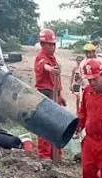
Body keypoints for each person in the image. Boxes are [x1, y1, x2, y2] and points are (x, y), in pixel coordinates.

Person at [34, 29, 66, 161]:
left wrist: (60, 96)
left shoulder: (52, 58)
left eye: (54, 44)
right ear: (42, 44)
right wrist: (51, 69)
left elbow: (55, 80)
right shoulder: (41, 58)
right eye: (50, 44)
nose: (53, 47)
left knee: (56, 125)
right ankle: (45, 155)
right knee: (45, 125)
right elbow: (44, 67)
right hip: (45, 95)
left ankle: (56, 155)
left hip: (54, 94)